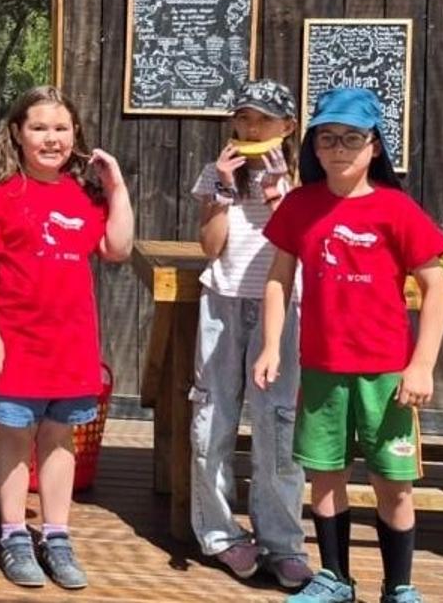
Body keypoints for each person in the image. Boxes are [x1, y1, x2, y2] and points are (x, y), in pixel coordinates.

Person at [252, 87, 443, 603]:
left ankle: (400, 586)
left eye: (352, 138)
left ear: (375, 146)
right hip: (321, 367)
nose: (339, 148)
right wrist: (271, 345)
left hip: (387, 373)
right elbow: (277, 279)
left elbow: (437, 286)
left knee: (394, 482)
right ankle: (334, 578)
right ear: (314, 146)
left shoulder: (397, 209)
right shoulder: (300, 206)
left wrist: (422, 364)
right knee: (324, 477)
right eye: (327, 137)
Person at [0, 86, 133, 591]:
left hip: (71, 345)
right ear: (17, 134)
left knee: (60, 440)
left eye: (61, 128)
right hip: (16, 344)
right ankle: (15, 533)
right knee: (15, 439)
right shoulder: (1, 197)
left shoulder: (84, 197)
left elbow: (118, 248)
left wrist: (117, 186)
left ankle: (56, 534)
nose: (51, 138)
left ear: (76, 136)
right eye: (39, 127)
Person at [187, 79, 312, 589]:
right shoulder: (216, 175)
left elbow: (298, 245)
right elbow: (210, 247)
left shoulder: (307, 183)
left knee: (278, 425)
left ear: (288, 127)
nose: (251, 127)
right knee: (212, 416)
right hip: (222, 301)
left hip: (282, 308)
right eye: (243, 117)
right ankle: (219, 535)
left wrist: (280, 196)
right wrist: (219, 190)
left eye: (263, 118)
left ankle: (283, 543)